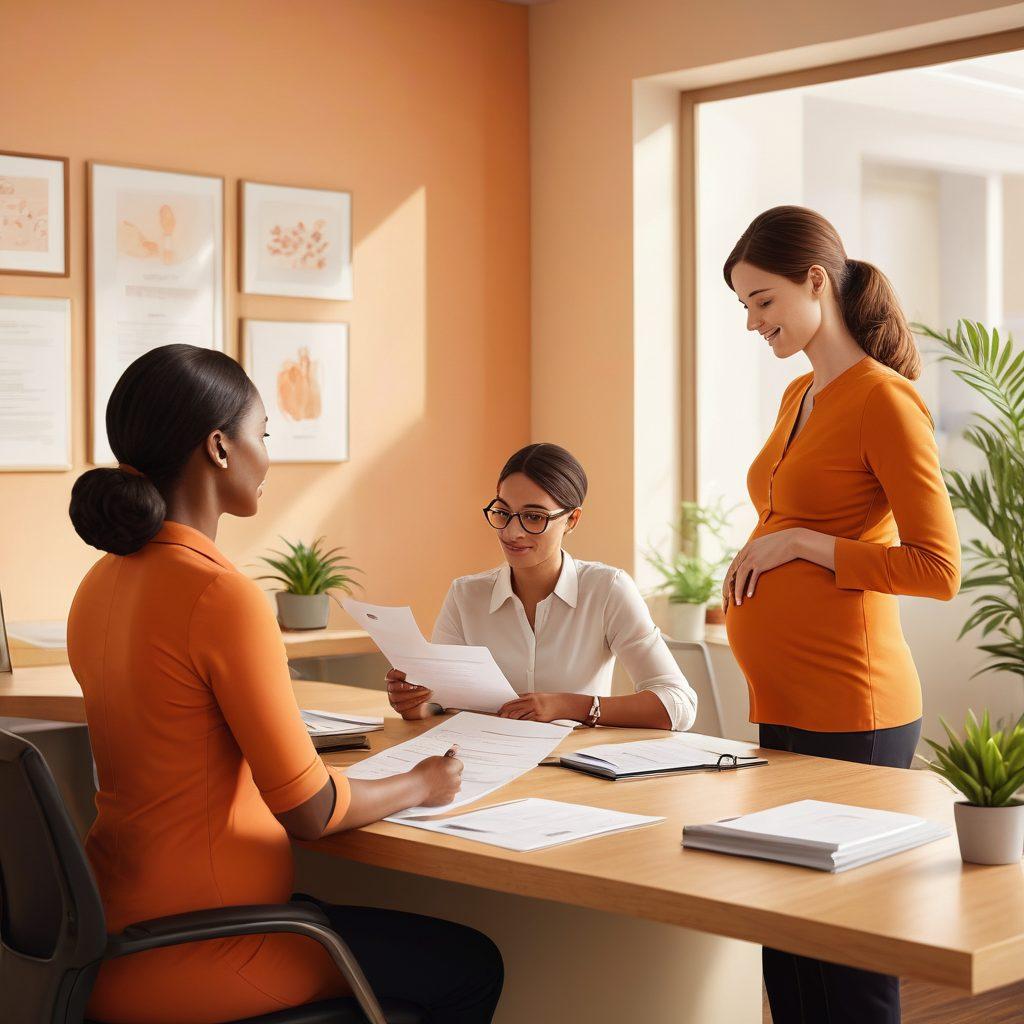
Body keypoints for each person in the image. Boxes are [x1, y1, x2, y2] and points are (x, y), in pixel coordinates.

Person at [67, 344, 503, 1024]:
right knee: (470, 966)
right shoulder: (220, 596)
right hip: (207, 946)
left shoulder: (98, 585)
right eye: (263, 434)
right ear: (219, 447)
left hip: (110, 941)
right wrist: (424, 781)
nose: (268, 457)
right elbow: (311, 811)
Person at [722, 206, 960, 1024]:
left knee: (846, 959)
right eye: (744, 306)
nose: (752, 322)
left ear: (815, 281)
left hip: (851, 709)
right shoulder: (799, 393)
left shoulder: (884, 401)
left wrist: (805, 548)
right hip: (786, 701)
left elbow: (938, 569)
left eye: (763, 301)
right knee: (787, 943)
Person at [387, 443, 698, 731]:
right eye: (503, 513)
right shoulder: (465, 595)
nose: (512, 532)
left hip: (570, 763)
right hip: (480, 758)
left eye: (534, 517)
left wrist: (570, 706)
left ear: (572, 520)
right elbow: (441, 702)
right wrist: (416, 705)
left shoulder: (607, 590)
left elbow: (679, 704)